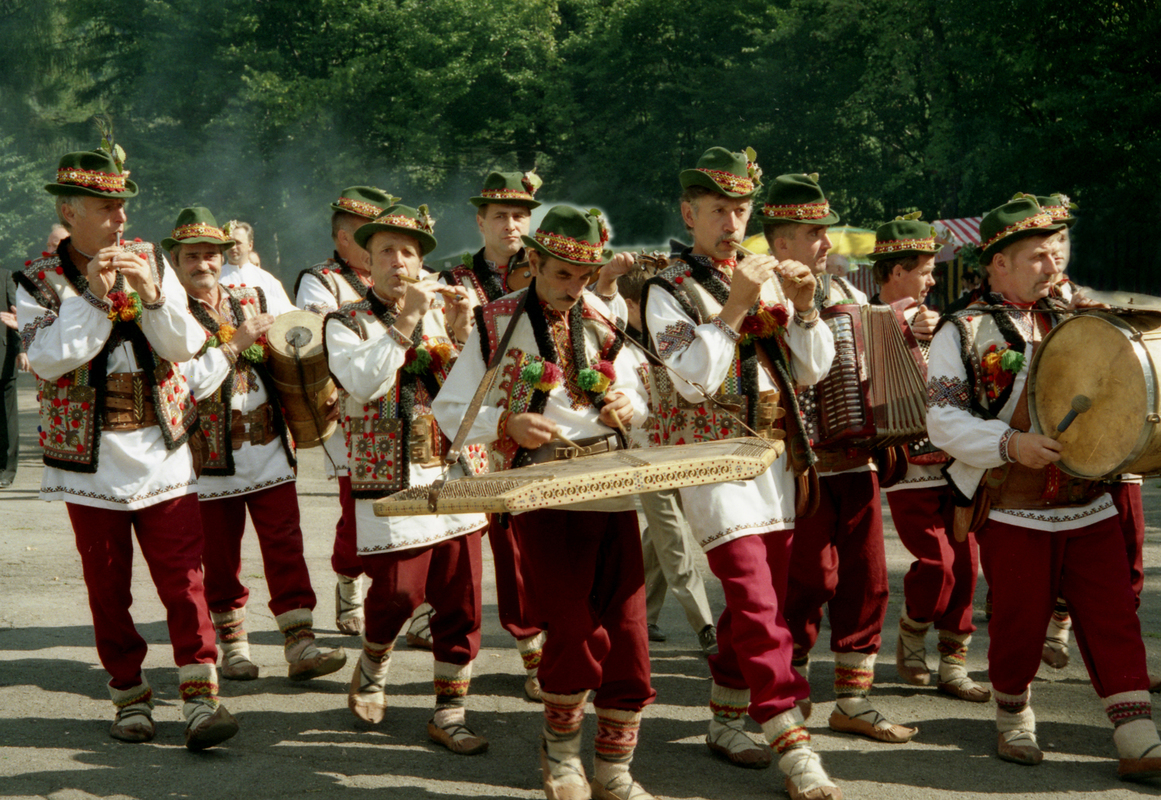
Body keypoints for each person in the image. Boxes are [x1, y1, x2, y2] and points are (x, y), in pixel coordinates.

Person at [927, 195, 1161, 778]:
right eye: (1036, 256)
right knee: (1020, 618)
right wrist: (1011, 445)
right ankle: (1014, 718)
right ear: (997, 263)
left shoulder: (1082, 316)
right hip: (1014, 504)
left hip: (1090, 496)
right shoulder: (960, 330)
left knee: (1112, 613)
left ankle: (1137, 733)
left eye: (1056, 251)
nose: (1053, 264)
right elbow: (943, 422)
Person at [14, 145, 237, 749]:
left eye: (121, 207)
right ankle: (129, 696)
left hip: (161, 450)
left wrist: (156, 296)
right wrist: (89, 294)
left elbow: (185, 346)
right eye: (104, 207)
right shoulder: (35, 278)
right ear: (70, 209)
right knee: (107, 585)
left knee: (184, 578)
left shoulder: (151, 261)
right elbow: (50, 360)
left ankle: (200, 697)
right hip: (87, 463)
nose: (119, 220)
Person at [434, 205, 658, 800]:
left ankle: (614, 769)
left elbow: (638, 391)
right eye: (563, 275)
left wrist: (628, 408)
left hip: (612, 489)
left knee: (630, 634)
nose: (575, 290)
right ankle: (561, 758)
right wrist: (506, 420)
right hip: (539, 493)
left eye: (585, 278)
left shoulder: (605, 318)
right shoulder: (495, 322)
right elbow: (449, 412)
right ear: (533, 261)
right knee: (574, 629)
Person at [641, 148, 841, 800]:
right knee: (757, 600)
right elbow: (690, 379)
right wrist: (735, 305)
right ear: (688, 212)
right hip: (707, 462)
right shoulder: (665, 287)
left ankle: (727, 721)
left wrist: (805, 306)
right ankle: (792, 741)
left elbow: (811, 371)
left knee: (761, 602)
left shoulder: (767, 276)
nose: (730, 222)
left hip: (773, 460)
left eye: (739, 209)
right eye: (717, 210)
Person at [326, 204, 491, 756]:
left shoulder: (444, 313)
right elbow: (365, 383)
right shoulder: (346, 321)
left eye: (410, 252)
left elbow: (474, 392)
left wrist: (469, 332)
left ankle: (450, 710)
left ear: (423, 262)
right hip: (390, 473)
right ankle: (374, 659)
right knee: (399, 591)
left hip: (453, 467)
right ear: (367, 263)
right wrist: (404, 323)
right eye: (386, 252)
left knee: (462, 597)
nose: (399, 262)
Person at [761, 173, 917, 745]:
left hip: (857, 460)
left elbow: (874, 360)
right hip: (798, 465)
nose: (826, 243)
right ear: (780, 244)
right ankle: (792, 689)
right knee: (804, 580)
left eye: (826, 232)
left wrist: (909, 333)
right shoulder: (758, 295)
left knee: (869, 581)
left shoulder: (853, 298)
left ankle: (853, 700)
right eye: (813, 233)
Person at [167, 206, 346, 684]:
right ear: (176, 260)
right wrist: (237, 341)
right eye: (192, 256)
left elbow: (299, 344)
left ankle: (300, 642)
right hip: (210, 455)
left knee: (286, 544)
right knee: (221, 555)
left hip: (268, 442)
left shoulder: (254, 294)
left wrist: (325, 389)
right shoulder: (169, 315)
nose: (203, 264)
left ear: (225, 257)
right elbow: (183, 383)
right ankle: (235, 646)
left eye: (210, 255)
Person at [867, 214, 989, 703]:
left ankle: (954, 663)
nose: (933, 280)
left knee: (968, 560)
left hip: (954, 459)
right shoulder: (860, 318)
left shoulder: (937, 319)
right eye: (924, 270)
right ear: (896, 271)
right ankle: (913, 630)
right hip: (906, 462)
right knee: (937, 562)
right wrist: (899, 325)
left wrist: (944, 338)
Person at [438, 170, 548, 699]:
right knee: (474, 552)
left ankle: (537, 655)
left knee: (528, 548)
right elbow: (438, 358)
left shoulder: (548, 271)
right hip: (475, 427)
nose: (511, 224)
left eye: (521, 215)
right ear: (480, 221)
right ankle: (456, 667)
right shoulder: (456, 281)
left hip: (538, 428)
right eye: (500, 215)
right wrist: (457, 330)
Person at [295, 186, 396, 636]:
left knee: (417, 502)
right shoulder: (320, 279)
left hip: (406, 410)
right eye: (367, 237)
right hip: (350, 408)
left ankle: (410, 598)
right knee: (357, 506)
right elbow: (320, 339)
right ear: (341, 236)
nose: (381, 248)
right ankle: (349, 581)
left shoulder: (408, 272)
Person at [617, 264, 718, 653]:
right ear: (628, 305)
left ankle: (644, 613)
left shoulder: (666, 334)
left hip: (680, 446)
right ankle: (705, 625)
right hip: (646, 455)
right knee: (673, 535)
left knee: (658, 537)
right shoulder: (619, 342)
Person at [221, 219, 293, 308]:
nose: (233, 247)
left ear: (250, 245)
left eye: (238, 243)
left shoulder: (268, 280)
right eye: (229, 243)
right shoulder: (216, 278)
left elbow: (288, 314)